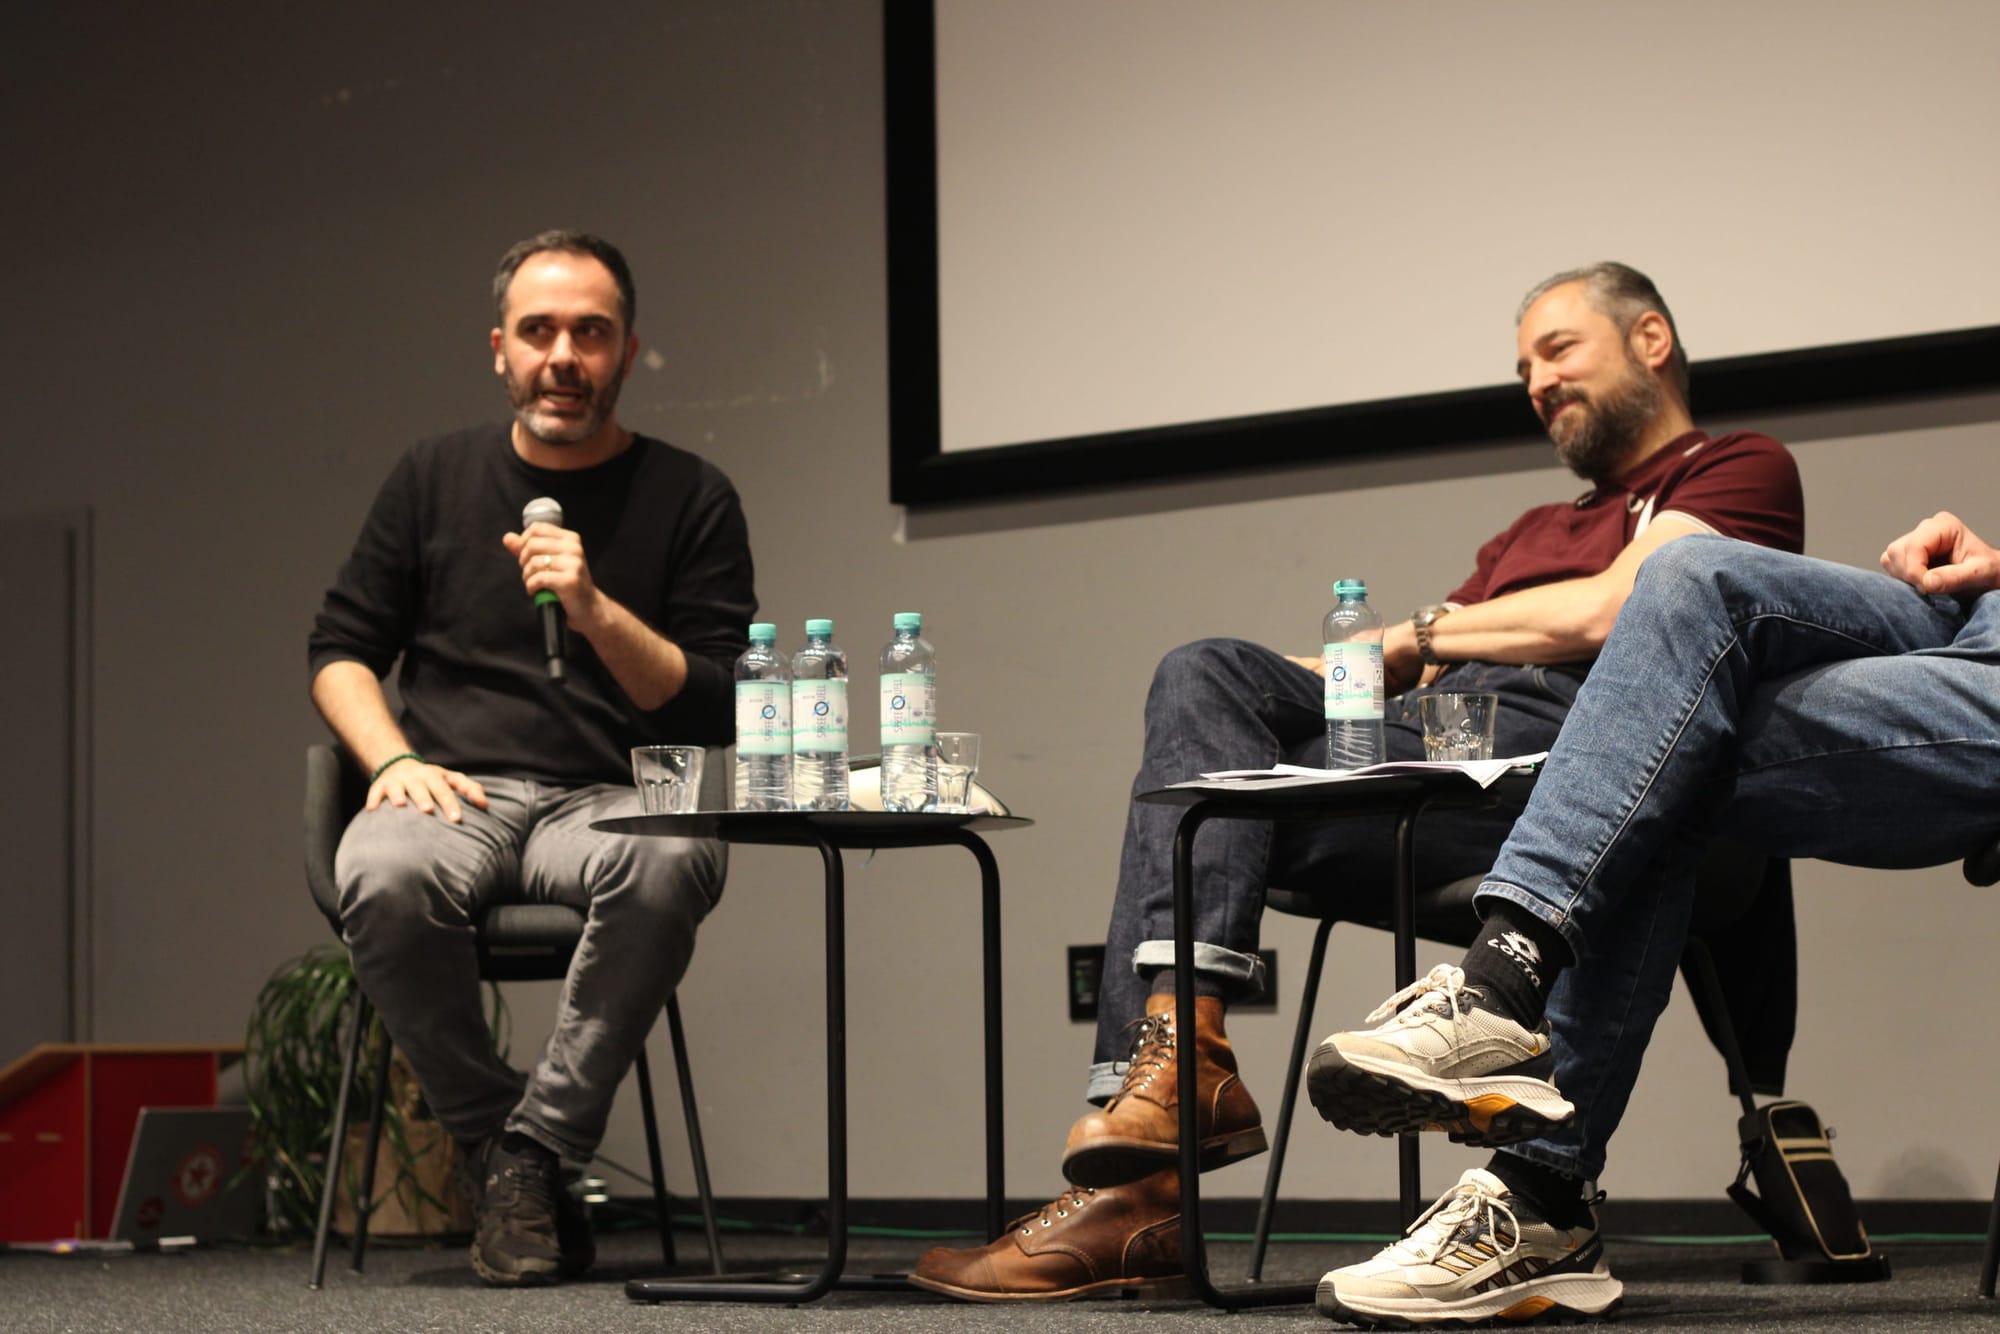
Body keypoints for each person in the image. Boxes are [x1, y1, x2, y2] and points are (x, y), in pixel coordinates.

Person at [910, 262, 1807, 1302]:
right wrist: (1217, 716)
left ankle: (1139, 1191)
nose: (1535, 382)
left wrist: (1421, 632)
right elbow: (1394, 667)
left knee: (1205, 812)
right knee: (1201, 685)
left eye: (1557, 350)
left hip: (1562, 780)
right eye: (1521, 367)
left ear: (1650, 339)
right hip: (1421, 751)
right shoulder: (1526, 533)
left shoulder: (1737, 468)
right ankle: (1169, 1095)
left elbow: (1613, 611)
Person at [1309, 511, 2000, 1325]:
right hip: (1974, 610)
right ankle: (1515, 1084)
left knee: (1668, 732)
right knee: (1688, 575)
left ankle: (1526, 1126)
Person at [307, 230, 755, 1286]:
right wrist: (390, 761)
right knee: (381, 869)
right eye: (539, 331)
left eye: (590, 333)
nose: (563, 356)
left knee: (674, 858)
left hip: (611, 796)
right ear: (499, 348)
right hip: (452, 791)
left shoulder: (691, 494)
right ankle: (504, 1149)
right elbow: (339, 651)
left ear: (627, 351)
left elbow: (716, 702)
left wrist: (593, 608)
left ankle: (530, 1152)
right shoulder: (431, 477)